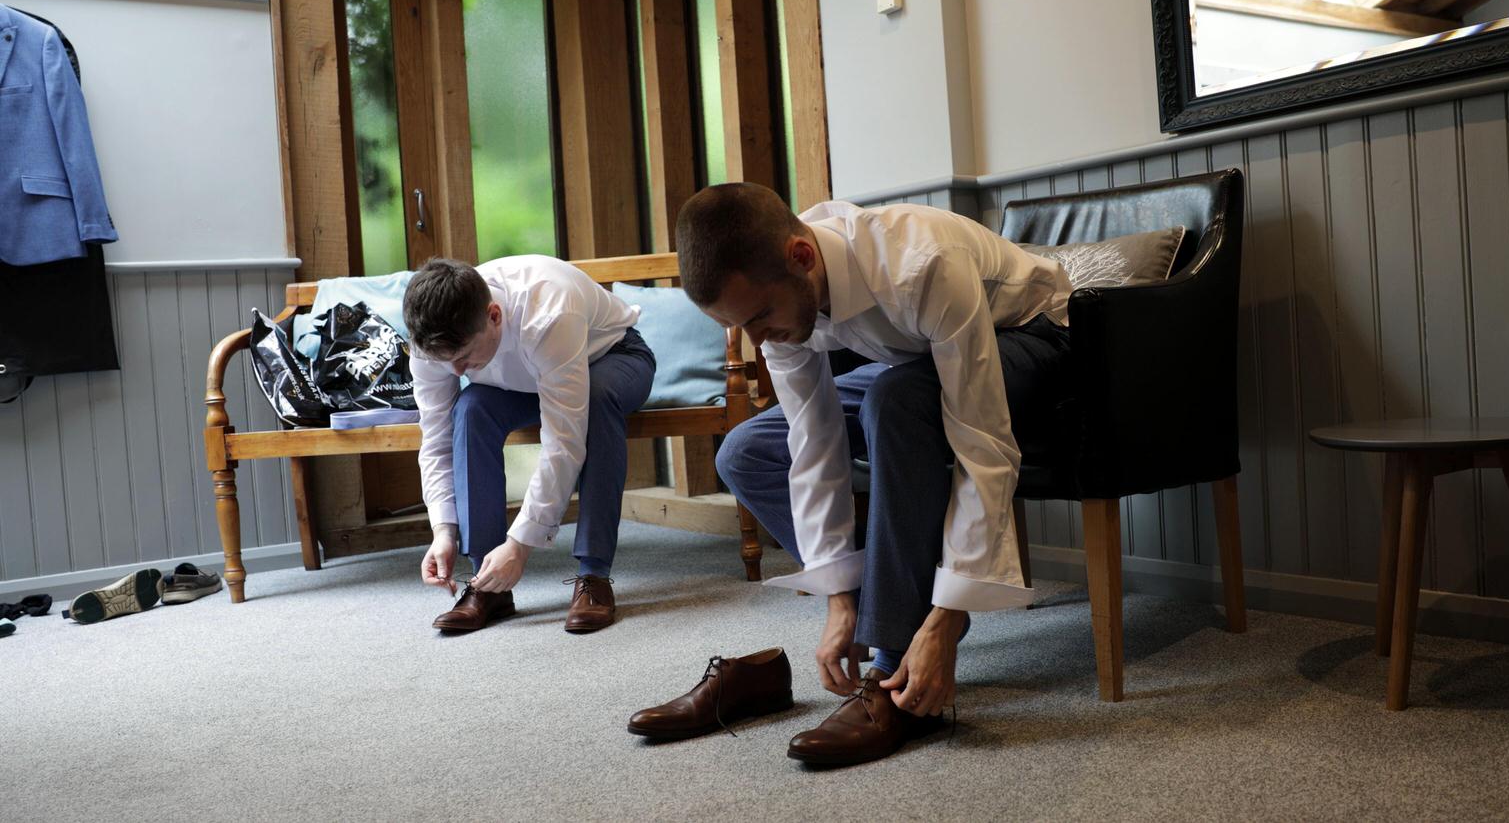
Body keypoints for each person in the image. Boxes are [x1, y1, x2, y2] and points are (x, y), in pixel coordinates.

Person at [674, 182, 1072, 765]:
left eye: (760, 318)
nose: (759, 343)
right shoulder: (777, 300)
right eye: (741, 328)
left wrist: (948, 615)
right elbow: (813, 444)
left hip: (1037, 336)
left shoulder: (922, 263)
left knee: (893, 399)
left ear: (802, 258)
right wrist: (839, 596)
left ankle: (893, 671)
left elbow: (983, 446)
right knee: (747, 451)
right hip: (915, 363)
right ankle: (881, 607)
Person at [404, 256, 655, 634]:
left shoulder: (549, 310)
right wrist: (443, 530)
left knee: (598, 400)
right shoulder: (429, 343)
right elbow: (436, 440)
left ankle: (594, 575)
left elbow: (563, 442)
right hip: (526, 382)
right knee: (469, 408)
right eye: (446, 361)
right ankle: (488, 583)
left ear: (494, 315)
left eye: (464, 357)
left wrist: (520, 545)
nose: (457, 371)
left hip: (612, 356)